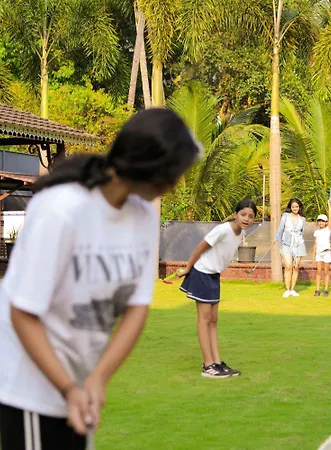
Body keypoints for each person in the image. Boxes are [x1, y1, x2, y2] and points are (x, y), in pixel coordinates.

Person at [0, 108, 202, 450]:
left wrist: (97, 379)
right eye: (174, 175)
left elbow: (136, 307)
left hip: (78, 383)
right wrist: (68, 388)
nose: (174, 185)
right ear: (150, 169)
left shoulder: (142, 215)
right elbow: (22, 313)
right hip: (29, 386)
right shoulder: (62, 209)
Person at [179, 199, 256, 378]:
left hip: (214, 276)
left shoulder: (240, 233)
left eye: (251, 216)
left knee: (213, 320)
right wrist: (188, 268)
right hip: (202, 273)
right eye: (243, 214)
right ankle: (208, 366)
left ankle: (217, 363)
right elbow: (200, 247)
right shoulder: (223, 230)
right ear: (235, 215)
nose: (246, 219)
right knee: (204, 320)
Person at [275, 198, 307, 297]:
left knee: (295, 267)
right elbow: (280, 230)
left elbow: (302, 232)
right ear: (290, 207)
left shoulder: (302, 219)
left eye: (296, 206)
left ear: (299, 207)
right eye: (293, 207)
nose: (295, 208)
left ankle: (292, 289)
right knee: (288, 266)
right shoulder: (286, 216)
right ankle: (287, 289)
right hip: (287, 244)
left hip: (298, 244)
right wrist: (279, 243)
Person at [313, 199, 331, 297]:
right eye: (319, 221)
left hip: (326, 252)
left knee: (326, 271)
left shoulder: (328, 230)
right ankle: (317, 289)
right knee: (318, 271)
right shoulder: (316, 232)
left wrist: (329, 204)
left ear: (326, 222)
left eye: (323, 221)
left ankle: (325, 289)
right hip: (319, 253)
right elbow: (315, 244)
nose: (321, 223)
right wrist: (313, 255)